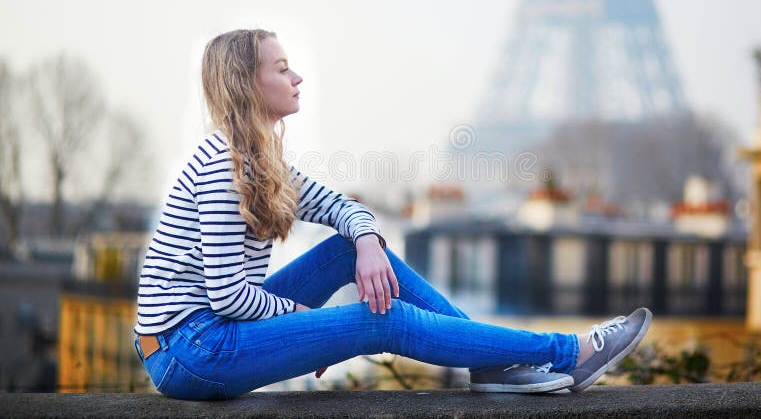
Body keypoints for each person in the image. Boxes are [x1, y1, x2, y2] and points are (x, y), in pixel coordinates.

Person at [132, 28, 652, 400]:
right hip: (190, 350)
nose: (298, 76)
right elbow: (228, 296)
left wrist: (365, 241)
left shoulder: (259, 161)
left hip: (213, 330)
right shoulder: (224, 168)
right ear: (249, 83)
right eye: (282, 67)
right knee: (380, 320)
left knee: (344, 250)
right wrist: (317, 329)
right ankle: (569, 351)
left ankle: (489, 362)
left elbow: (340, 208)